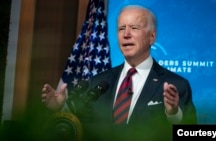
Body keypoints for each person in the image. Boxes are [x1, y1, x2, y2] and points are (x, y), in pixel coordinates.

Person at [41, 5, 197, 141]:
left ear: (152, 36)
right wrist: (60, 109)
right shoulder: (98, 83)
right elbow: (80, 129)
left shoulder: (176, 85)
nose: (126, 34)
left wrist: (174, 114)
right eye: (121, 28)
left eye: (134, 28)